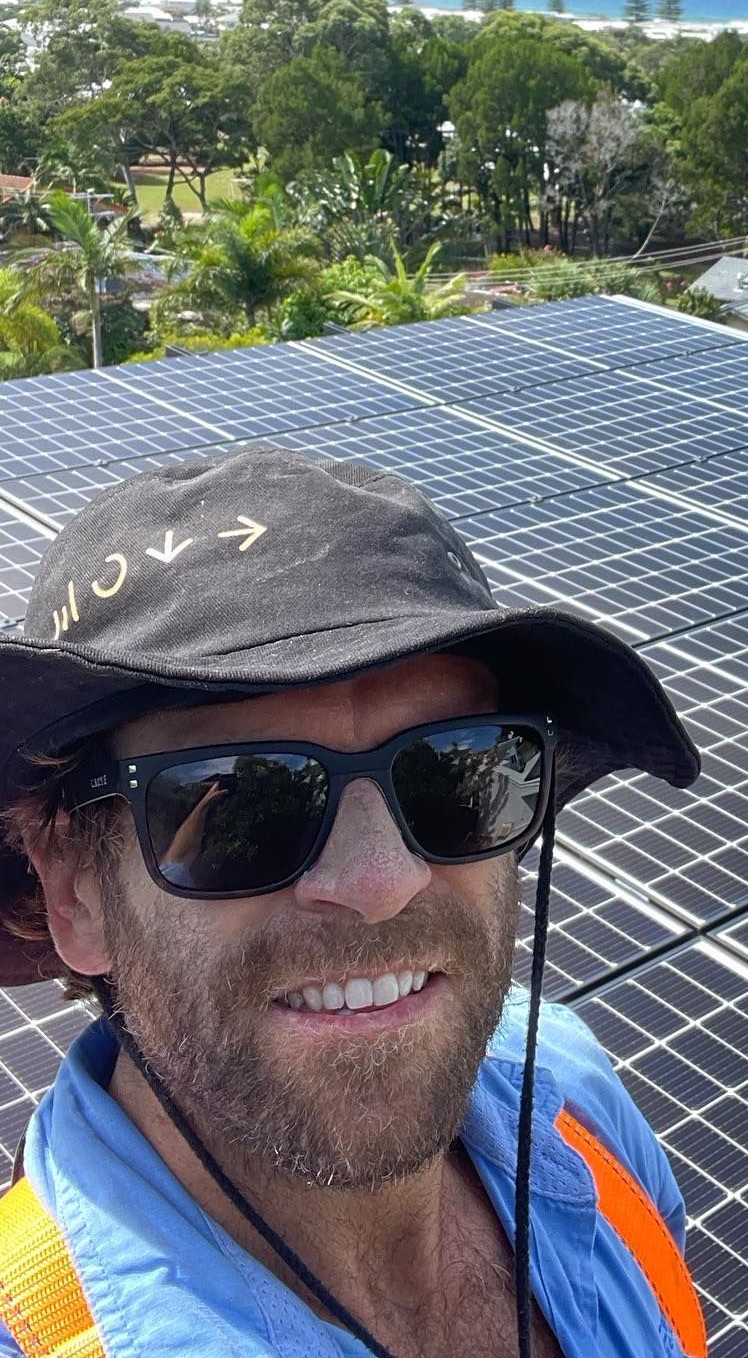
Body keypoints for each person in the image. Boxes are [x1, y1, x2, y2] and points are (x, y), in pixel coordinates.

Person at [0, 445, 708, 1357]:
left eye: (458, 773)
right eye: (237, 802)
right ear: (74, 890)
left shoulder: (569, 1096)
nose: (381, 882)